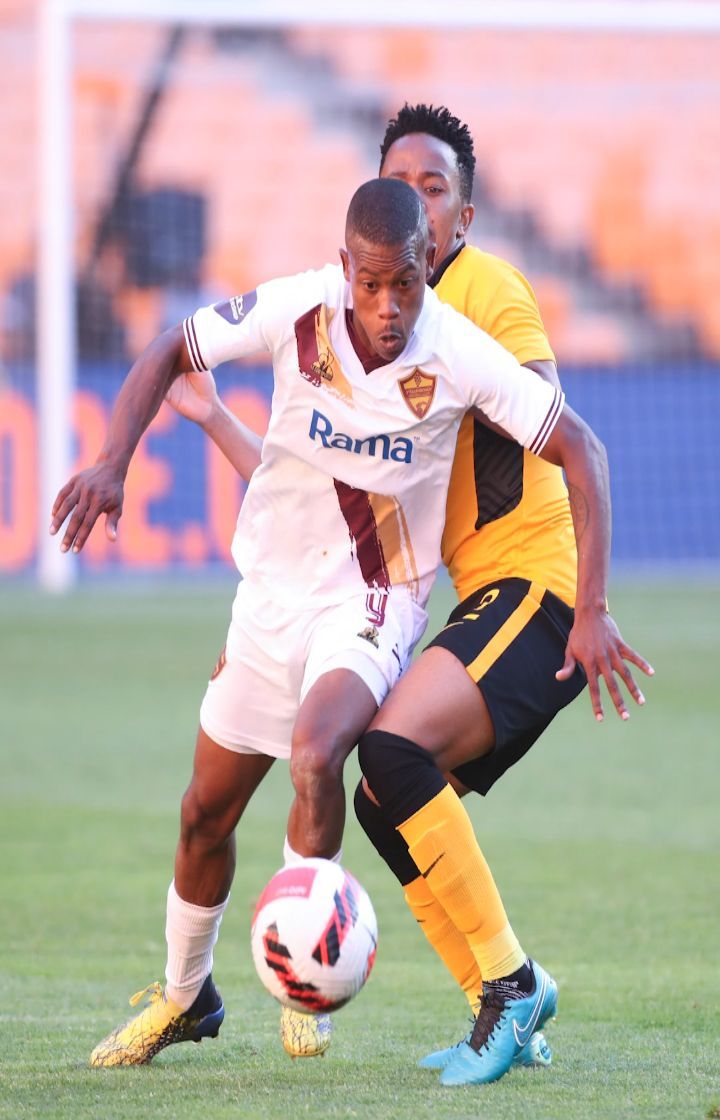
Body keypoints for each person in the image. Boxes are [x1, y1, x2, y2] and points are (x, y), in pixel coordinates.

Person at [50, 175, 603, 1069]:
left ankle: (304, 982)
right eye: (372, 283)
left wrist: (595, 605)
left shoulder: (458, 354)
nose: (389, 307)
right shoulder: (295, 310)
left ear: (430, 263)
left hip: (373, 602)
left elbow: (581, 447)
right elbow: (168, 348)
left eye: (407, 283)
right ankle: (186, 996)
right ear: (346, 267)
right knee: (203, 815)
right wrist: (114, 459)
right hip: (271, 597)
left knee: (317, 754)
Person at [168, 105, 654, 1080]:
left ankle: (512, 983)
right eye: (403, 186)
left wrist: (591, 603)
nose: (418, 205)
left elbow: (559, 429)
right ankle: (502, 1006)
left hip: (535, 584)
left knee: (387, 748)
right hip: (481, 594)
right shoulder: (370, 315)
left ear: (461, 219)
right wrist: (222, 418)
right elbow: (318, 490)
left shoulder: (477, 298)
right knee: (383, 796)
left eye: (436, 189)